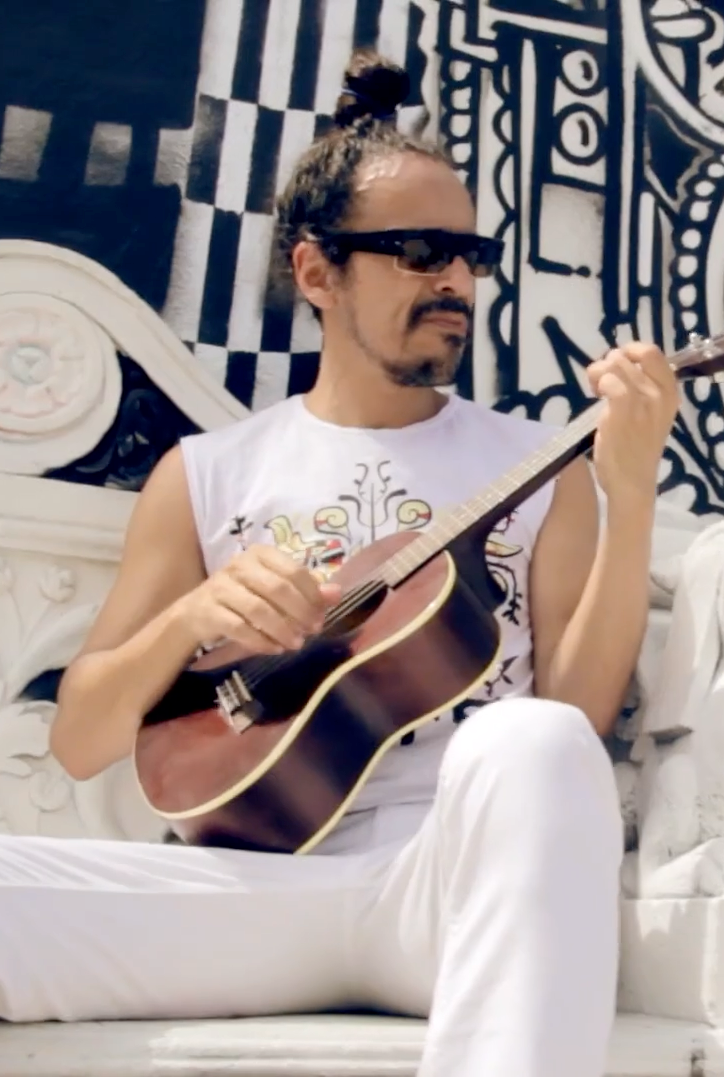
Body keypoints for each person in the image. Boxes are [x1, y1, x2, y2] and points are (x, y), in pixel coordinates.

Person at [0, 50, 679, 1077]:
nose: (454, 281)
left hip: (453, 890)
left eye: (468, 255)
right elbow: (83, 737)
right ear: (318, 272)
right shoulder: (208, 475)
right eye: (418, 253)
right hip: (253, 891)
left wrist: (630, 497)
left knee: (531, 739)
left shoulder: (539, 467)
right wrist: (191, 619)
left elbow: (576, 720)